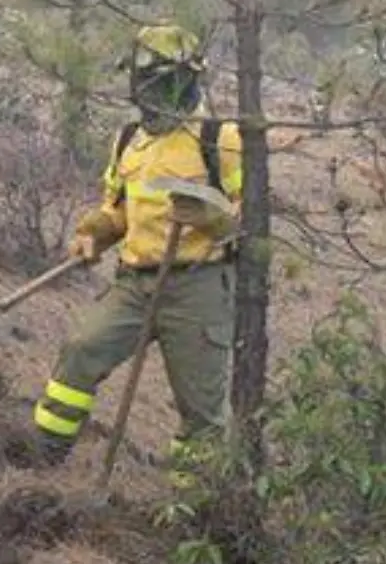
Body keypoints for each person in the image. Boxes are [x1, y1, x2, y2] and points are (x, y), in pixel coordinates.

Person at [29, 26, 242, 481]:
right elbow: (118, 208)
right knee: (82, 350)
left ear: (185, 81)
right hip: (135, 281)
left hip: (198, 287)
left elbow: (245, 221)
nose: (148, 96)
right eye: (142, 86)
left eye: (158, 85)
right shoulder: (130, 139)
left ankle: (193, 510)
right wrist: (95, 234)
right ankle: (41, 460)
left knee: (201, 410)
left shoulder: (220, 139)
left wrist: (208, 214)